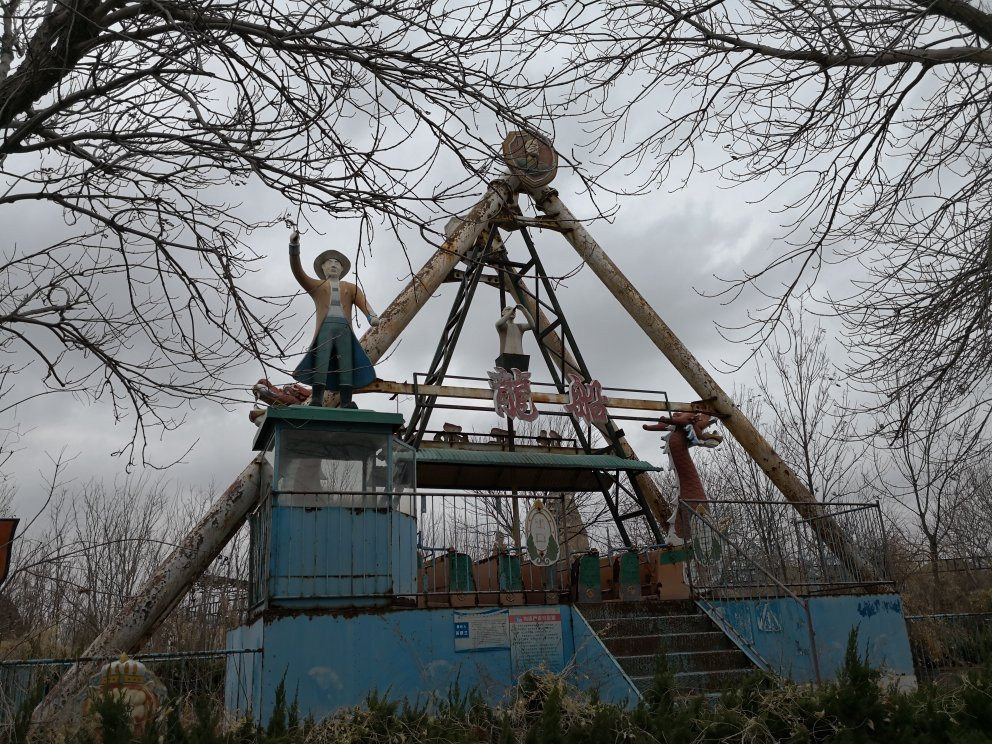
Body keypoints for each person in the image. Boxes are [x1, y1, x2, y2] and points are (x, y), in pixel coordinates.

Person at [288, 229, 379, 408]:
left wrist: (371, 316)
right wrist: (294, 246)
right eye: (329, 262)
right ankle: (316, 398)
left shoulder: (351, 288)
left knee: (346, 362)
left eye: (337, 263)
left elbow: (364, 303)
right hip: (325, 328)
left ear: (343, 269)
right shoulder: (317, 286)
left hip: (344, 329)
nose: (333, 265)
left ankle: (346, 401)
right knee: (321, 360)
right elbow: (298, 272)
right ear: (322, 268)